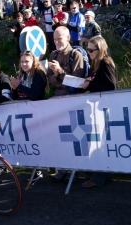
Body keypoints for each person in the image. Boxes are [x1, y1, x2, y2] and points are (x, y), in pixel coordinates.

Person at [47, 26, 85, 182]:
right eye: (55, 39)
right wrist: (56, 74)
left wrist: (59, 73)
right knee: (59, 137)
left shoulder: (76, 55)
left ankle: (79, 169)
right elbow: (49, 79)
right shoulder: (53, 54)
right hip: (58, 97)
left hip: (72, 98)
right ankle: (61, 169)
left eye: (59, 38)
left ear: (68, 38)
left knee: (75, 137)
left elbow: (78, 80)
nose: (56, 42)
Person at [79, 36, 116, 187]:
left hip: (104, 107)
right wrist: (88, 84)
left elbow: (110, 86)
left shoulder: (105, 62)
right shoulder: (96, 62)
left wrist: (90, 85)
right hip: (99, 106)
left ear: (100, 50)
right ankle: (106, 175)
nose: (88, 53)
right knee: (101, 142)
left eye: (91, 50)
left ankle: (98, 178)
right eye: (87, 49)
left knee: (99, 143)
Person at [10, 50, 49, 182]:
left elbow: (35, 94)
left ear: (34, 62)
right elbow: (14, 96)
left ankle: (40, 169)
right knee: (29, 142)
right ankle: (34, 167)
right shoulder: (22, 75)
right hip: (24, 114)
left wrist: (19, 86)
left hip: (36, 113)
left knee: (37, 141)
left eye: (27, 61)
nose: (24, 64)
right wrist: (14, 88)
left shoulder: (39, 74)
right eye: (22, 62)